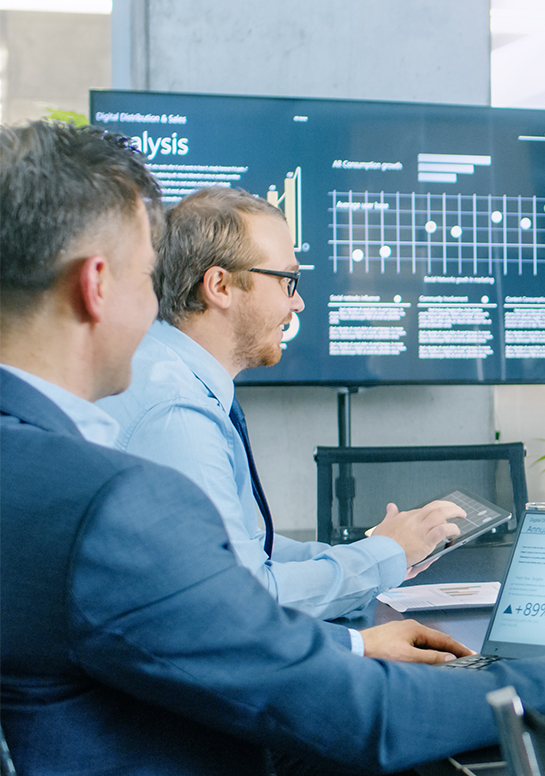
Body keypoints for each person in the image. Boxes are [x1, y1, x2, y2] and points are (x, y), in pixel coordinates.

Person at [0, 120, 545, 775]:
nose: (157, 307)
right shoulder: (107, 501)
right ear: (96, 286)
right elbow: (354, 715)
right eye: (146, 277)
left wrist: (352, 642)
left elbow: (184, 634)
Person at [98, 186, 463, 621]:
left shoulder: (168, 372)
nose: (298, 302)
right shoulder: (176, 413)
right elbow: (246, 599)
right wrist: (383, 556)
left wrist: (376, 553)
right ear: (220, 285)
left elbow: (246, 547)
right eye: (287, 281)